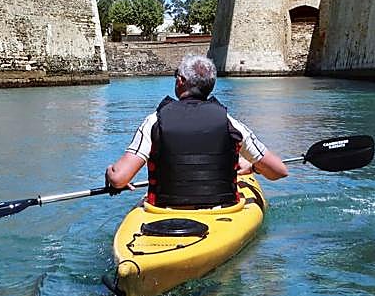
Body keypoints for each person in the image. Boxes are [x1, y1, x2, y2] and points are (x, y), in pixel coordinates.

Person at [104, 54, 288, 208]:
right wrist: (254, 167)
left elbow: (119, 179)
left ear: (180, 81)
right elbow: (279, 171)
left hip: (163, 212)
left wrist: (110, 173)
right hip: (222, 212)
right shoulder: (230, 123)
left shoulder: (154, 121)